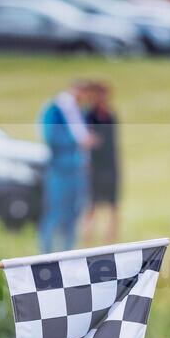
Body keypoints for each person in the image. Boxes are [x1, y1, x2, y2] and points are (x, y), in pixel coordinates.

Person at [36, 80, 98, 253]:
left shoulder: (80, 111)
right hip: (60, 170)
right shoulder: (54, 110)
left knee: (74, 214)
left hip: (79, 170)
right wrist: (79, 142)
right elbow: (51, 137)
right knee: (55, 214)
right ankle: (46, 254)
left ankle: (68, 253)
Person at [82, 80, 120, 246]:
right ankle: (88, 236)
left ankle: (110, 238)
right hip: (95, 165)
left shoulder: (110, 115)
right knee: (92, 203)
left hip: (110, 163)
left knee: (113, 203)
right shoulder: (89, 116)